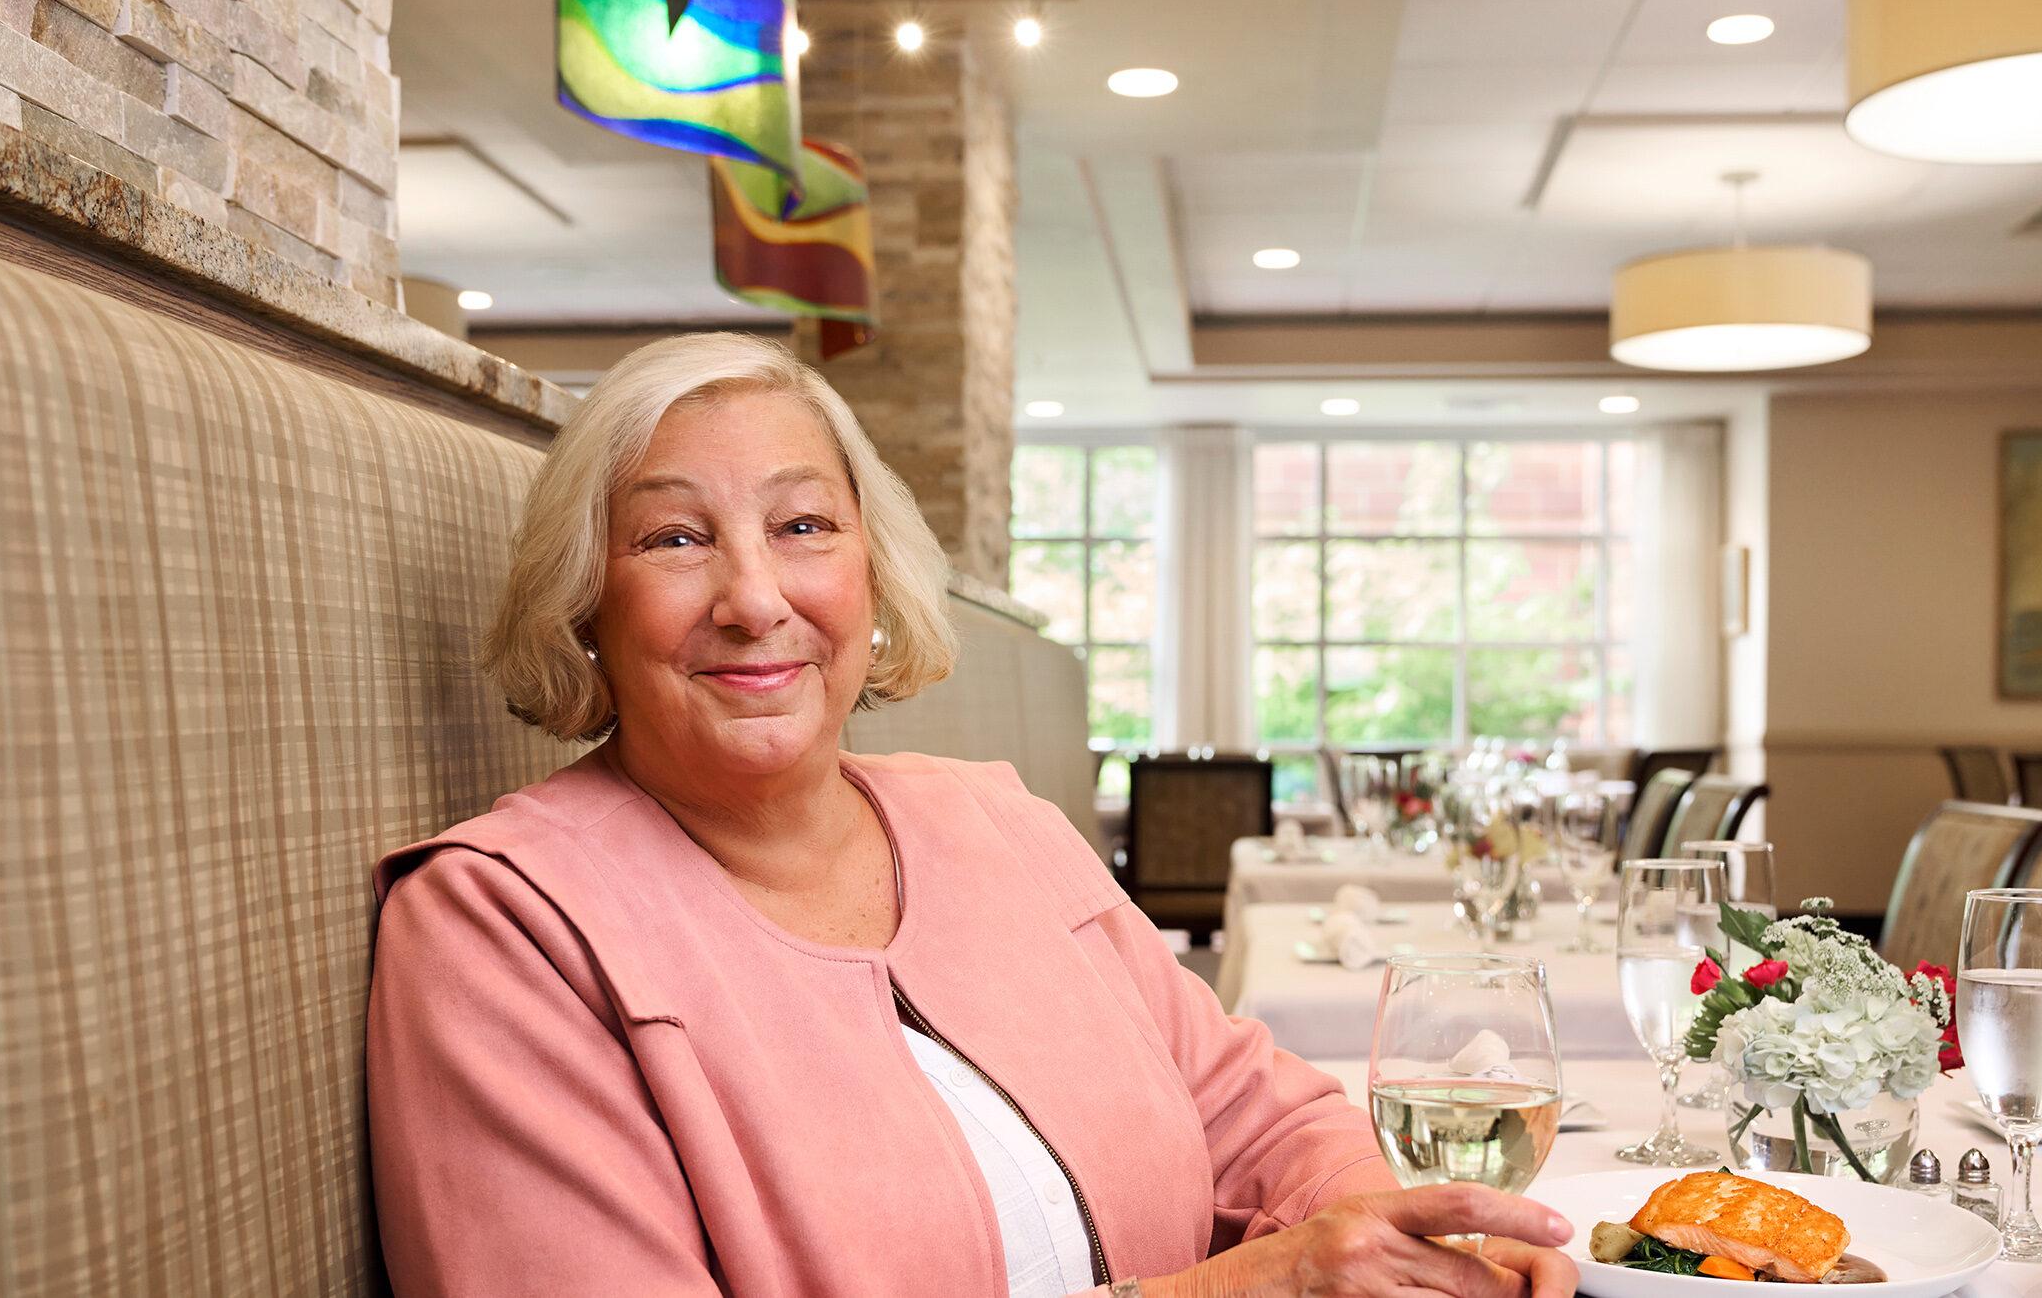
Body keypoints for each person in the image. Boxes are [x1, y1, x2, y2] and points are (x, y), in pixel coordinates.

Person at [365, 333, 1577, 1297]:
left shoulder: (998, 822)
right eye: (674, 536)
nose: (752, 595)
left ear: (872, 580)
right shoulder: (498, 924)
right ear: (587, 601)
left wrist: (1419, 1242)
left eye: (802, 526)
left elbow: (1265, 1114)